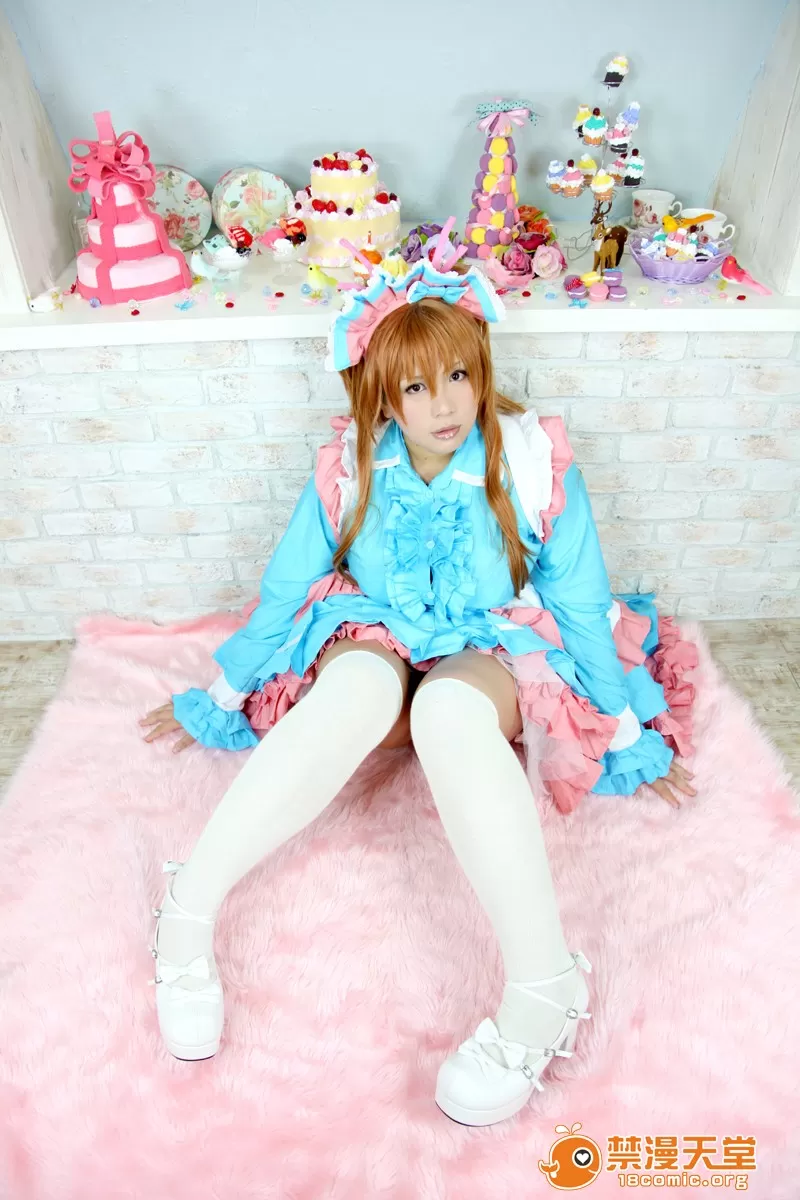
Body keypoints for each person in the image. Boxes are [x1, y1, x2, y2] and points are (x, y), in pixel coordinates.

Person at [140, 223, 696, 1127]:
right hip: (380, 638)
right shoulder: (350, 467)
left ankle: (544, 986)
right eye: (416, 386)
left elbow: (581, 600)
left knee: (449, 714)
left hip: (486, 649)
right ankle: (185, 910)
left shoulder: (530, 463)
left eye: (460, 375)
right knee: (356, 690)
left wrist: (626, 724)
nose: (446, 405)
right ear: (382, 394)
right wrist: (223, 691)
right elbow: (286, 585)